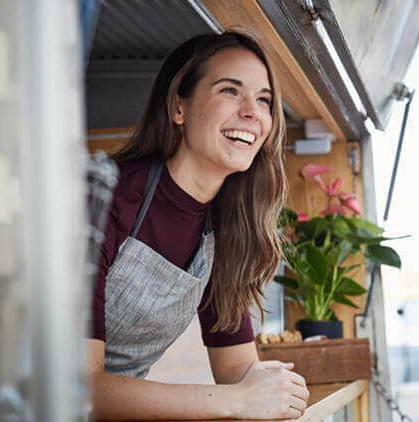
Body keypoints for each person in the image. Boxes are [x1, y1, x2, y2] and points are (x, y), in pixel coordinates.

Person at [88, 31, 309, 420]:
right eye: (230, 91)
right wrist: (238, 401)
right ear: (178, 107)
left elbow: (236, 369)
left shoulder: (227, 230)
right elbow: (78, 388)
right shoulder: (104, 198)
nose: (251, 112)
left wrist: (275, 385)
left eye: (264, 100)